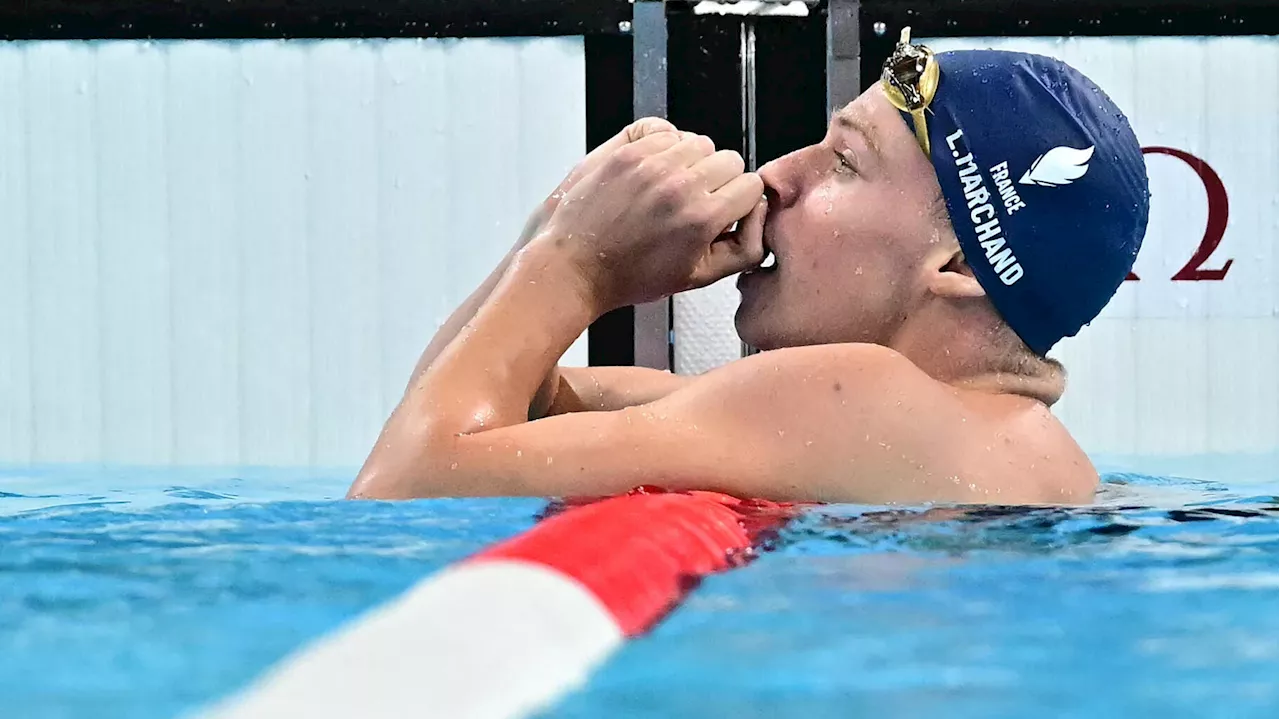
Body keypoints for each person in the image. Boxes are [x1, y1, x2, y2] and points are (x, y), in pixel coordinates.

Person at [347, 31, 1149, 505]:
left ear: (959, 266)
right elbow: (497, 411)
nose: (776, 177)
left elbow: (400, 489)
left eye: (843, 163)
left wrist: (577, 265)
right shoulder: (967, 436)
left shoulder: (870, 400)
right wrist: (562, 228)